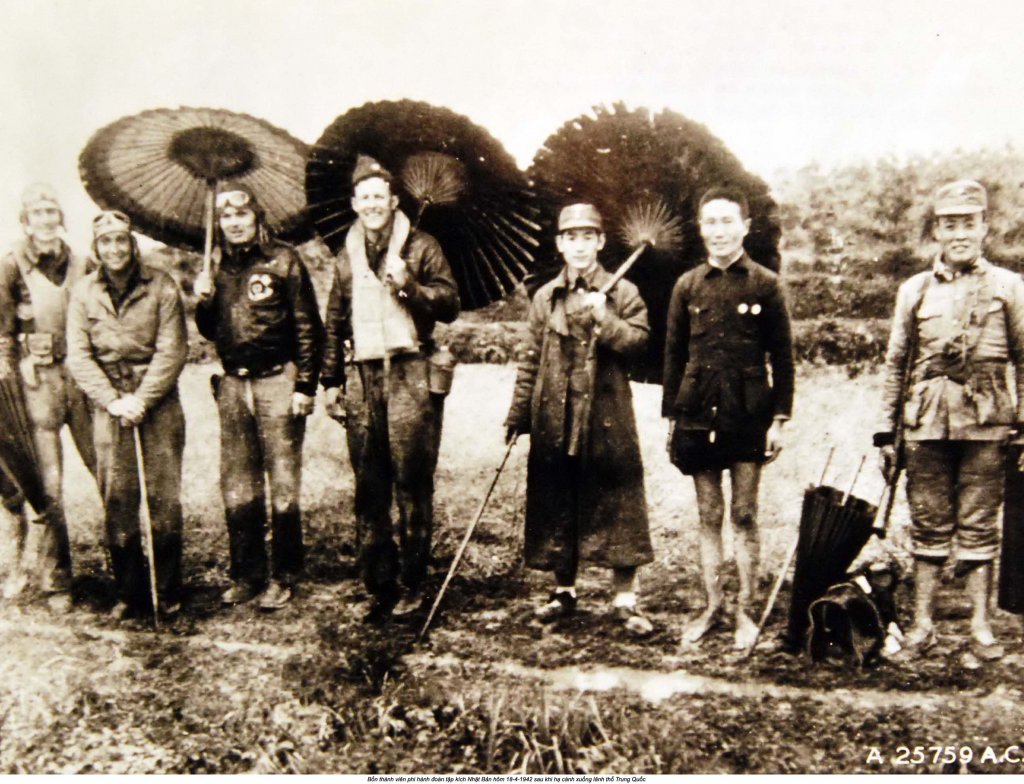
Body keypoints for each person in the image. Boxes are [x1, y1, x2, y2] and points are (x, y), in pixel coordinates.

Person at [876, 179, 1024, 662]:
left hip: (987, 423)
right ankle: (922, 626)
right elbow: (896, 362)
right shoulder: (914, 290)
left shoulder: (1009, 287)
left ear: (985, 227)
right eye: (949, 224)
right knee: (928, 526)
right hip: (925, 424)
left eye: (968, 223)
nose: (959, 234)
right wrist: (885, 431)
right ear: (936, 231)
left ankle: (980, 627)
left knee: (980, 526)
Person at [505, 203, 654, 637]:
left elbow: (640, 343)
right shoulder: (544, 297)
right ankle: (564, 590)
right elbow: (530, 358)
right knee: (559, 496)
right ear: (560, 245)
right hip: (556, 411)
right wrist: (518, 413)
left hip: (606, 414)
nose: (580, 245)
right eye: (571, 237)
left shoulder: (622, 292)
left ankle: (625, 597)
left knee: (617, 500)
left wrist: (605, 319)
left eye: (588, 236)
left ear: (601, 242)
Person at [322, 155, 460, 622]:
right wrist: (330, 382)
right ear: (354, 204)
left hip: (410, 372)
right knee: (369, 482)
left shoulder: (422, 246)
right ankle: (377, 583)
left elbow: (450, 304)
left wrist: (410, 286)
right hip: (363, 376)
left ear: (393, 201)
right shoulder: (346, 256)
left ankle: (413, 582)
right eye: (364, 198)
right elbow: (333, 320)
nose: (372, 205)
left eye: (380, 196)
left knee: (412, 480)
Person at [662, 185, 794, 650]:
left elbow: (784, 356)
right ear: (701, 229)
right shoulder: (687, 286)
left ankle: (745, 612)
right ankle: (713, 606)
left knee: (743, 514)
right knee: (708, 514)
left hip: (748, 414)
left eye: (726, 221)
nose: (718, 231)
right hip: (697, 413)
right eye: (709, 222)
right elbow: (674, 356)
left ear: (745, 227)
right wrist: (672, 419)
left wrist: (779, 419)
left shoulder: (765, 283)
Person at [194, 183, 324, 611]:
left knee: (283, 484)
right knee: (238, 485)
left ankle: (285, 575)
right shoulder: (216, 268)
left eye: (241, 215)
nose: (233, 223)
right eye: (226, 217)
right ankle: (247, 574)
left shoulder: (283, 259)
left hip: (277, 381)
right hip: (233, 385)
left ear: (256, 218)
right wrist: (203, 302)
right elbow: (212, 331)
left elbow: (308, 327)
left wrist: (305, 385)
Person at [67, 211, 188, 619]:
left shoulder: (161, 285)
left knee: (163, 499)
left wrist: (142, 398)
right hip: (109, 407)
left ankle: (167, 590)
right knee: (118, 499)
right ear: (96, 248)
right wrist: (113, 400)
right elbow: (79, 356)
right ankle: (129, 593)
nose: (115, 249)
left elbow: (173, 349)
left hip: (158, 404)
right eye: (106, 242)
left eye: (122, 240)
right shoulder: (84, 292)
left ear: (132, 244)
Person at [0, 183, 97, 612]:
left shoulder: (82, 262)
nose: (45, 218)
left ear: (60, 216)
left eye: (51, 210)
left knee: (107, 469)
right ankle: (59, 580)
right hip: (36, 381)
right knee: (51, 483)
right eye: (37, 211)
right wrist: (8, 364)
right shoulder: (10, 265)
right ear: (26, 219)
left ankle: (129, 566)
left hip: (80, 375)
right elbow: (3, 328)